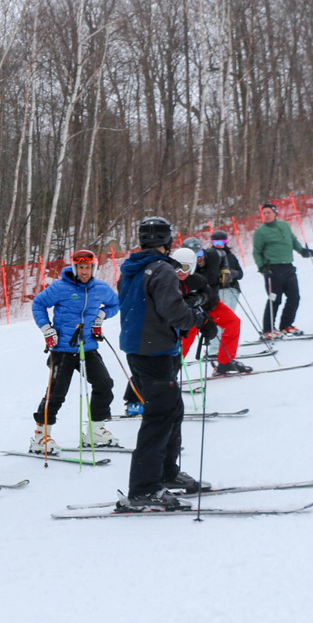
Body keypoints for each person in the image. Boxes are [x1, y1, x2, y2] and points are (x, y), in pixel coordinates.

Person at [116, 218, 216, 511]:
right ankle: (143, 489)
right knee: (159, 417)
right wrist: (202, 320)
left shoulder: (131, 269)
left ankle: (166, 472)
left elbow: (151, 306)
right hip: (154, 351)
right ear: (167, 241)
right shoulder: (161, 270)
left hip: (146, 348)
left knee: (173, 410)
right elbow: (172, 310)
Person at [27, 249, 118, 456]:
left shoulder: (100, 288)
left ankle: (95, 433)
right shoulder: (61, 287)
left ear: (93, 268)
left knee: (104, 384)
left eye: (87, 267)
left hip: (88, 347)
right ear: (75, 268)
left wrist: (102, 315)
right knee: (57, 393)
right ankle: (41, 437)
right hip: (63, 349)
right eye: (80, 267)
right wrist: (46, 329)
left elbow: (115, 304)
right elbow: (39, 304)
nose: (84, 271)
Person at [179, 240, 249, 374]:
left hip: (212, 303)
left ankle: (225, 362)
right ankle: (169, 373)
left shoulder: (214, 255)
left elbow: (223, 255)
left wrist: (225, 270)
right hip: (192, 309)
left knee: (233, 322)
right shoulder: (183, 267)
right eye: (194, 255)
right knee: (187, 337)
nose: (199, 258)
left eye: (200, 253)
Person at [253, 202, 313, 338]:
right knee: (274, 299)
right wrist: (262, 267)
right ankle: (268, 329)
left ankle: (286, 325)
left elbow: (293, 241)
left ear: (275, 213)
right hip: (272, 270)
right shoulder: (261, 232)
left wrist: (303, 251)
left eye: (269, 212)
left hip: (288, 267)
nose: (266, 215)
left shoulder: (284, 226)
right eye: (264, 213)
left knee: (294, 297)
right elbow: (257, 252)